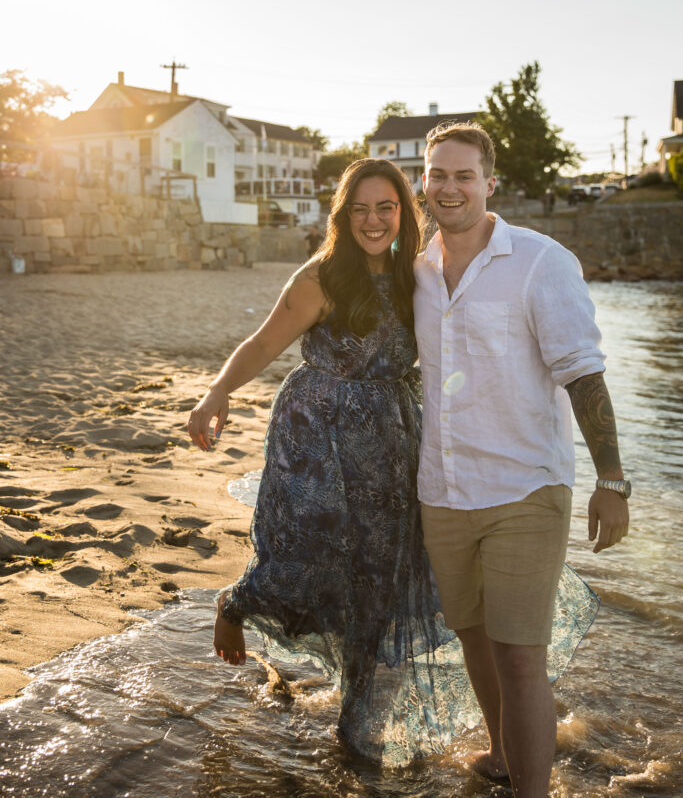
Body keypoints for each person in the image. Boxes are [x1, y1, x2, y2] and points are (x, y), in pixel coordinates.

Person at [187, 158, 483, 765]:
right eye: (360, 209)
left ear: (405, 210)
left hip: (391, 440)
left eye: (386, 207)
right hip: (314, 433)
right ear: (343, 215)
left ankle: (354, 720)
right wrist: (216, 392)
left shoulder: (418, 275)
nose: (373, 221)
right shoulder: (319, 278)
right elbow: (263, 343)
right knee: (304, 549)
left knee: (380, 573)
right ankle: (236, 603)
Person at [414, 122, 629, 798]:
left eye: (463, 175)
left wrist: (611, 481)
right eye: (438, 175)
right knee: (473, 639)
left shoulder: (540, 261)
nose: (450, 187)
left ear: (488, 184)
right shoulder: (415, 268)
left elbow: (583, 374)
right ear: (424, 180)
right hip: (442, 491)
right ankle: (505, 757)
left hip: (523, 489)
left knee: (518, 654)